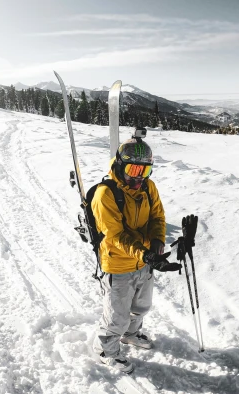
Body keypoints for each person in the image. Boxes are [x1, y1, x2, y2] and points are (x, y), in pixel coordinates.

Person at [92, 136, 181, 373]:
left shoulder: (148, 187)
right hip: (119, 264)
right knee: (116, 315)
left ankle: (130, 335)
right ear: (121, 165)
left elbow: (158, 218)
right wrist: (146, 255)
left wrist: (157, 243)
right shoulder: (105, 194)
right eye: (133, 169)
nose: (139, 176)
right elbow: (115, 236)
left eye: (145, 170)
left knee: (141, 306)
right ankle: (105, 351)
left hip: (143, 262)